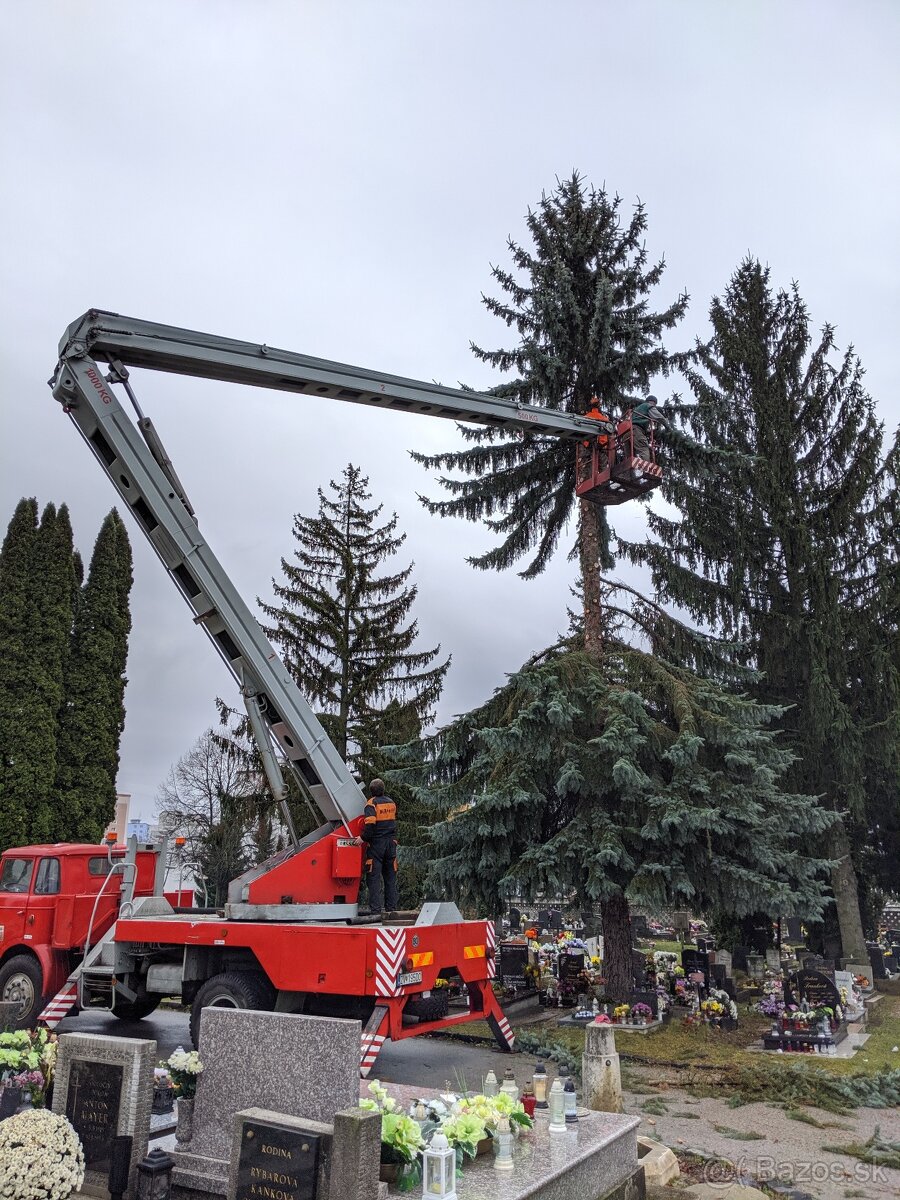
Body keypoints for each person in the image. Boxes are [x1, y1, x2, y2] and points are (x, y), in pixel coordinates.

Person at [356, 778, 398, 915]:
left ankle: (375, 911)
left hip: (377, 845)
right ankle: (391, 909)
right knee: (390, 878)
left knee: (374, 878)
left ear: (371, 791)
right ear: (383, 789)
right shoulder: (391, 803)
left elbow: (370, 827)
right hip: (391, 844)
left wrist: (361, 839)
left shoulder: (371, 804)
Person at [628, 395, 667, 469]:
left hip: (627, 431)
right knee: (643, 449)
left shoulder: (637, 409)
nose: (655, 406)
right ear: (653, 402)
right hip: (636, 430)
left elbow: (637, 421)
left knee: (630, 455)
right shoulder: (648, 406)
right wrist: (667, 427)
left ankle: (629, 472)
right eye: (655, 404)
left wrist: (648, 431)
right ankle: (647, 470)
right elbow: (659, 417)